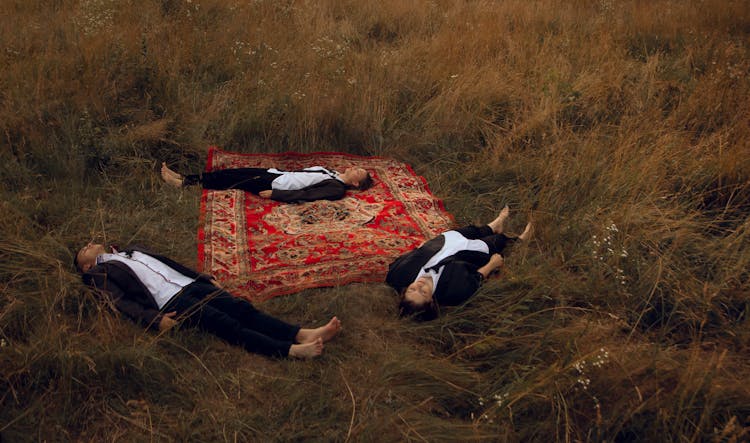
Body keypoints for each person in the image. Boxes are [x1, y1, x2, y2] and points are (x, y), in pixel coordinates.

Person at [75, 242, 341, 358]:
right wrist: (154, 320)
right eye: (84, 250)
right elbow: (120, 302)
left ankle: (301, 333)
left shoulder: (128, 250)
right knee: (227, 325)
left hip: (190, 285)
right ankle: (289, 350)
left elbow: (170, 264)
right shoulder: (98, 274)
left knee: (242, 309)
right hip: (171, 302)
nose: (89, 244)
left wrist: (203, 277)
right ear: (86, 267)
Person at [386, 206, 532, 320]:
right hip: (468, 252)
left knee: (471, 230)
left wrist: (419, 249)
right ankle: (521, 239)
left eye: (412, 290)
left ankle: (495, 224)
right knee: (497, 242)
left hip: (442, 243)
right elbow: (477, 278)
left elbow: (398, 262)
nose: (419, 285)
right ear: (431, 301)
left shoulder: (397, 276)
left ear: (405, 291)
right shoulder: (453, 291)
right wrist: (492, 264)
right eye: (423, 292)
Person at [161, 162, 374, 203]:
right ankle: (184, 177)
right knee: (232, 172)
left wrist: (276, 195)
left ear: (355, 184)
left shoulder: (336, 188)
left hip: (278, 185)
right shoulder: (333, 173)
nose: (354, 168)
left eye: (358, 172)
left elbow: (308, 195)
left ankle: (183, 185)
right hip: (277, 174)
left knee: (233, 181)